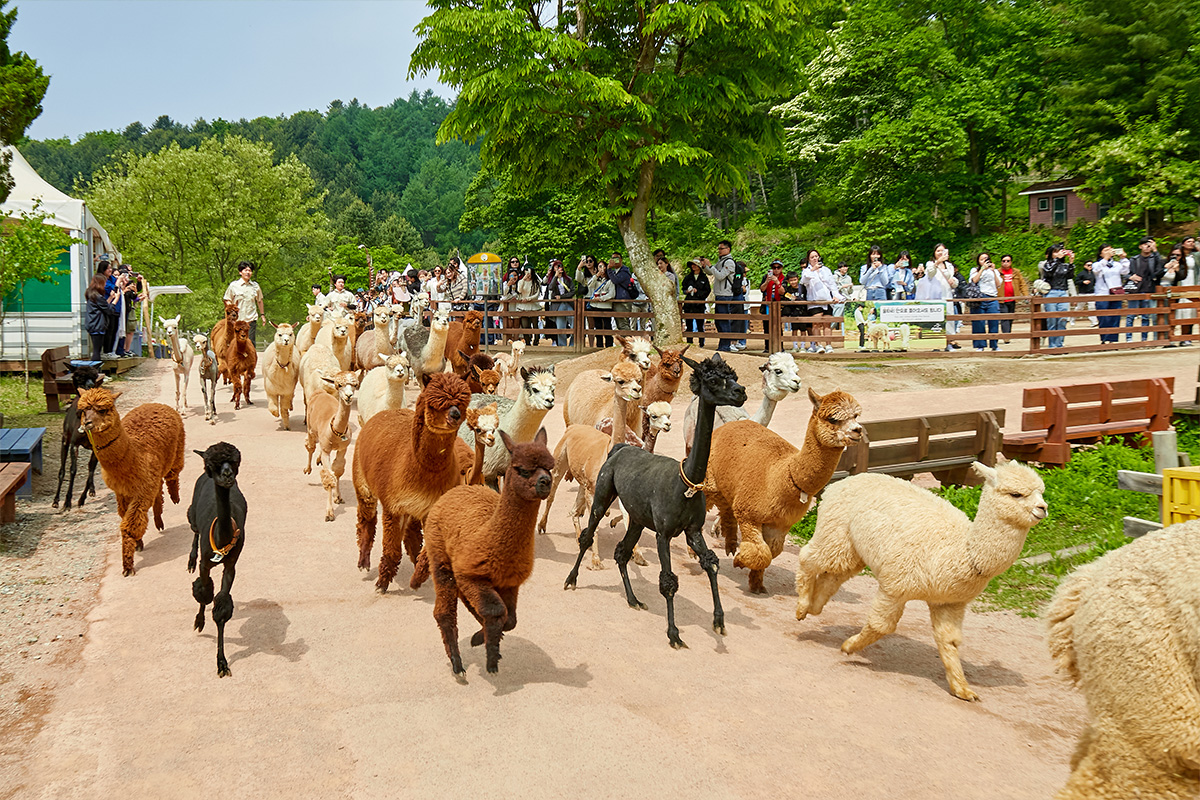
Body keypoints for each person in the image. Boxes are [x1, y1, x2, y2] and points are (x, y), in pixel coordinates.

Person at [800, 249, 842, 354]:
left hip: (827, 299)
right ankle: (818, 345)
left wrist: (836, 296)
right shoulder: (806, 271)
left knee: (827, 323)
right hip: (814, 300)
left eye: (816, 256)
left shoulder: (826, 270)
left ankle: (828, 345)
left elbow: (832, 285)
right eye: (812, 257)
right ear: (808, 259)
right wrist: (813, 270)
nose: (815, 258)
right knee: (816, 323)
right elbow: (803, 281)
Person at [1125, 236, 1165, 341]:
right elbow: (1125, 273)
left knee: (1146, 316)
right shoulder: (1134, 259)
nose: (1147, 246)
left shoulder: (1154, 258)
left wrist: (1155, 250)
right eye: (1145, 244)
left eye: (1150, 244)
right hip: (1135, 289)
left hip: (1149, 289)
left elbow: (1160, 268)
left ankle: (1144, 339)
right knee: (1131, 315)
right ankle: (1129, 339)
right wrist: (1130, 276)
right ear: (1140, 246)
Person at [704, 240, 738, 351]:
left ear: (728, 249)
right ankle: (723, 345)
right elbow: (712, 272)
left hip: (725, 294)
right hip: (719, 294)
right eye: (718, 248)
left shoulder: (729, 262)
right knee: (719, 321)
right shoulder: (721, 261)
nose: (719, 250)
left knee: (723, 320)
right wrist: (705, 267)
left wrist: (710, 266)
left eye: (721, 248)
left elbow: (720, 276)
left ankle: (725, 346)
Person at [1040, 244, 1075, 349]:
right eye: (1055, 252)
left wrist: (1071, 262)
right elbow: (1048, 273)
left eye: (1059, 251)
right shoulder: (1047, 264)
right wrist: (1056, 260)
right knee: (1052, 320)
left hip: (1063, 291)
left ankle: (1060, 344)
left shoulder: (1064, 265)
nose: (1058, 254)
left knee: (1063, 319)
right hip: (1051, 292)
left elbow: (1070, 276)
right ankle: (1052, 345)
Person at [223, 261, 266, 346]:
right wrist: (232, 310)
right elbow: (227, 299)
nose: (248, 272)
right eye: (245, 270)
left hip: (251, 319)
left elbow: (260, 301)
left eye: (250, 270)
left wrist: (262, 315)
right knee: (236, 344)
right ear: (240, 272)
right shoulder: (234, 286)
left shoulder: (255, 286)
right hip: (237, 321)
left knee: (251, 344)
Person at [1092, 245, 1128, 344]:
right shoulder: (1097, 264)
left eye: (1110, 250)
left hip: (1116, 292)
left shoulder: (1116, 264)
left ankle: (1113, 339)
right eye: (1106, 250)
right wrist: (1105, 259)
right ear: (1100, 253)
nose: (1109, 252)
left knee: (1115, 317)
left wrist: (1123, 258)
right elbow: (1095, 270)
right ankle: (1104, 339)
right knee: (1103, 317)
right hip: (1102, 293)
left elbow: (1125, 271)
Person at [968, 253, 1001, 351]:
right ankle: (980, 345)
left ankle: (994, 345)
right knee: (979, 322)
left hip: (992, 297)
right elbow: (974, 280)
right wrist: (982, 269)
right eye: (982, 259)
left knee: (994, 321)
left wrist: (993, 271)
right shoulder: (975, 270)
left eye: (986, 259)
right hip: (980, 297)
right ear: (978, 261)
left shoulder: (994, 271)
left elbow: (998, 284)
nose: (984, 261)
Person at [85, 272, 118, 361]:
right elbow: (109, 310)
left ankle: (96, 370)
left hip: (93, 324)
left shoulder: (92, 294)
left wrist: (110, 298)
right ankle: (96, 371)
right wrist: (115, 300)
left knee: (97, 350)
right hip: (97, 325)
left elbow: (104, 306)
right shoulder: (98, 296)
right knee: (97, 351)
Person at [996, 255, 1027, 343]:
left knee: (1011, 317)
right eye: (1004, 261)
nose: (1006, 263)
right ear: (1001, 262)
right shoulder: (997, 272)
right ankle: (1006, 336)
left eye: (1008, 261)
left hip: (1013, 298)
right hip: (1002, 298)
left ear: (1011, 262)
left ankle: (1008, 333)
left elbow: (1022, 284)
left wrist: (1025, 295)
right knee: (1005, 317)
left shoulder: (1016, 272)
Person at [545, 259, 574, 346]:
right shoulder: (551, 279)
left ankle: (573, 344)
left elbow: (572, 291)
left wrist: (562, 297)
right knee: (560, 327)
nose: (559, 268)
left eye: (560, 266)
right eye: (556, 266)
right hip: (558, 306)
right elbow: (550, 287)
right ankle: (562, 345)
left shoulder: (568, 279)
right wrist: (555, 276)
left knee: (574, 325)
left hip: (568, 303)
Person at [681, 260, 710, 347]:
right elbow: (683, 288)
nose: (693, 266)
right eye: (692, 265)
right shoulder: (688, 277)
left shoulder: (704, 278)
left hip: (699, 304)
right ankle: (689, 343)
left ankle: (701, 343)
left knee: (700, 325)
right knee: (689, 325)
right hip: (689, 304)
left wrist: (698, 293)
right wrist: (687, 291)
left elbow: (707, 290)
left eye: (695, 265)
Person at [759, 259, 786, 350]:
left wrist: (777, 282)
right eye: (774, 267)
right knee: (766, 326)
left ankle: (780, 347)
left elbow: (783, 292)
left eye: (778, 267)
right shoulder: (765, 277)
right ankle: (767, 347)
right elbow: (762, 289)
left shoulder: (784, 279)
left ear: (781, 268)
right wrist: (767, 281)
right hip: (767, 304)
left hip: (779, 305)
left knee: (778, 327)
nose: (776, 269)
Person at [587, 259, 615, 348]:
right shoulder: (595, 279)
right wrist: (596, 275)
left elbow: (612, 294)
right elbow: (590, 285)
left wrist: (601, 298)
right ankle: (599, 346)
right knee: (597, 326)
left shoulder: (610, 280)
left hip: (606, 306)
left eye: (603, 266)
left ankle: (609, 346)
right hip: (595, 306)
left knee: (607, 326)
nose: (601, 268)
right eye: (599, 266)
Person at [607, 252, 635, 333]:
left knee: (623, 323)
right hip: (618, 300)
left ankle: (629, 341)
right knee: (619, 324)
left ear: (621, 259)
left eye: (617, 258)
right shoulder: (616, 272)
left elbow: (615, 280)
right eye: (613, 258)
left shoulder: (624, 272)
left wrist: (609, 269)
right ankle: (627, 341)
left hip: (623, 301)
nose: (614, 260)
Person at [782, 271, 807, 351]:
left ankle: (803, 346)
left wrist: (798, 299)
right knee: (794, 330)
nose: (793, 282)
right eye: (791, 280)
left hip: (803, 311)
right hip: (793, 312)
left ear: (798, 279)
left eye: (795, 280)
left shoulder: (803, 288)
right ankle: (795, 346)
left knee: (803, 330)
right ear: (788, 281)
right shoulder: (788, 290)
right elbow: (786, 297)